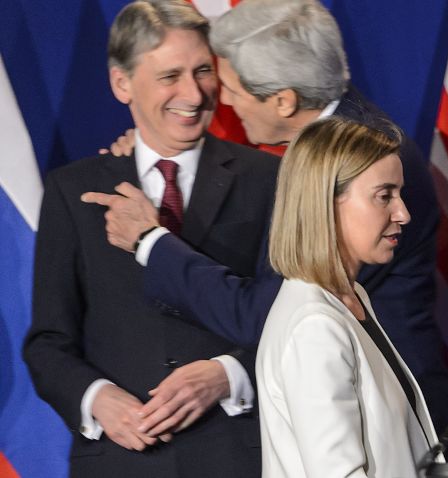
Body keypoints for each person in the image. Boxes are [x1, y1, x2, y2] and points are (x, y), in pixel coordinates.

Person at [82, 0, 448, 430]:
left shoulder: (353, 165)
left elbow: (266, 316)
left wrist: (149, 241)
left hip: (386, 423)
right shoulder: (347, 134)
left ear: (283, 101)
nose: (221, 102)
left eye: (235, 90)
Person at [23, 1, 277, 475]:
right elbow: (48, 342)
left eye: (203, 71)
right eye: (169, 76)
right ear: (122, 83)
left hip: (238, 456)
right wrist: (98, 400)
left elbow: (293, 323)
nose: (194, 93)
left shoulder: (269, 180)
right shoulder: (73, 190)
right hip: (122, 459)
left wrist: (229, 374)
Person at [255, 116, 438, 476]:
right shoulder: (314, 326)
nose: (403, 213)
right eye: (384, 196)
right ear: (326, 201)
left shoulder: (351, 296)